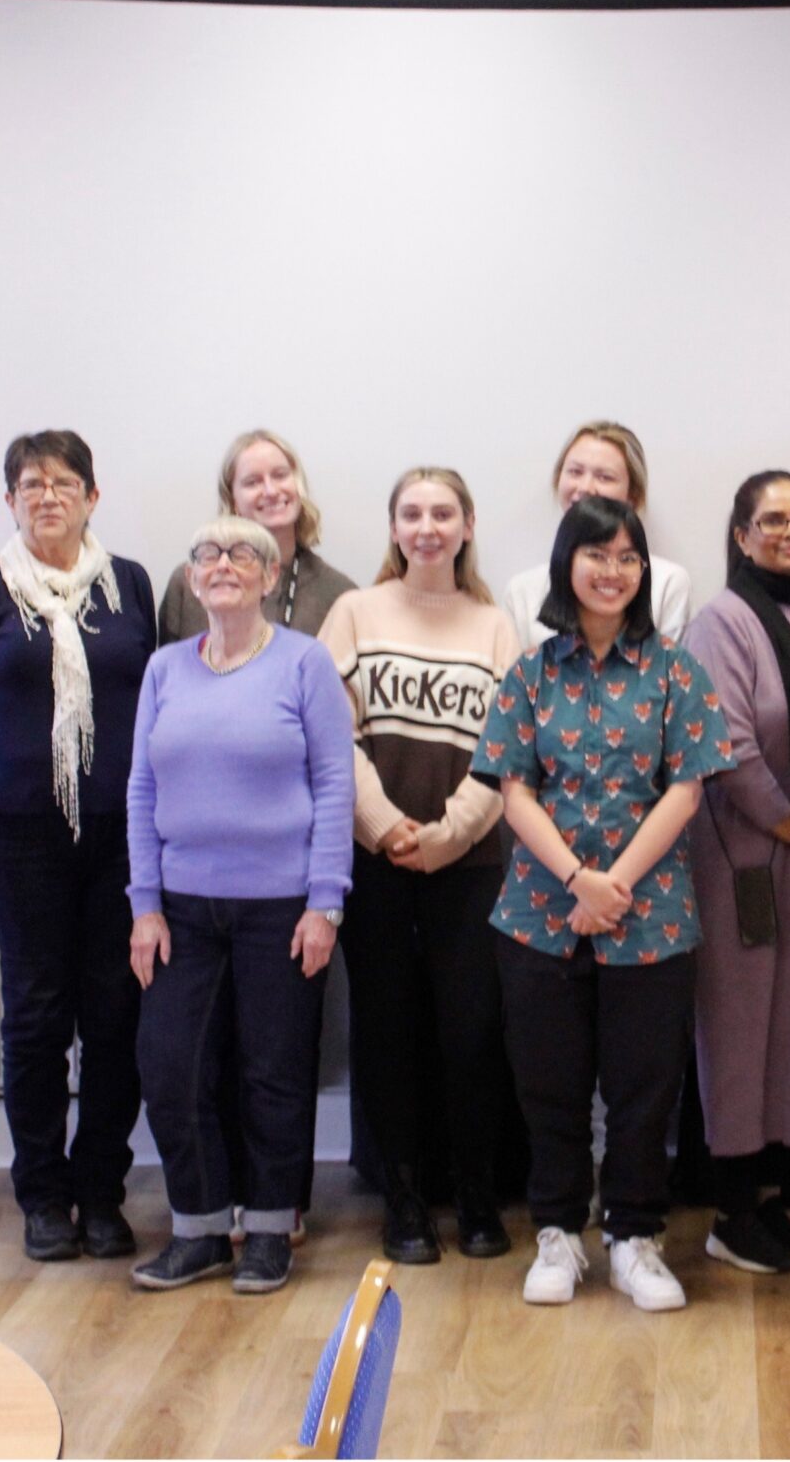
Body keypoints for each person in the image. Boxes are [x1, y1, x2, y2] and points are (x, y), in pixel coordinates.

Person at [471, 497, 735, 1313]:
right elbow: (512, 788)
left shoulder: (675, 670)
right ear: (567, 564)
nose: (612, 570)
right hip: (538, 917)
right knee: (548, 1087)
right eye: (597, 554)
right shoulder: (531, 670)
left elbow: (687, 788)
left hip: (650, 918)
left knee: (642, 1088)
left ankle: (634, 1236)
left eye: (627, 557)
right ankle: (557, 1233)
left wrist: (614, 881)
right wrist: (577, 881)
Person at [125, 515, 354, 1296]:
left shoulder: (305, 662)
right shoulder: (164, 669)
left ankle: (265, 1228)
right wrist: (144, 904)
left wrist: (326, 901)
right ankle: (197, 1229)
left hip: (281, 906)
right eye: (209, 554)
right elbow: (141, 790)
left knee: (273, 1071)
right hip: (181, 908)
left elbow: (334, 784)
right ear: (192, 579)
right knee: (170, 1066)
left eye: (244, 554)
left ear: (268, 574)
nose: (225, 565)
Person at [0, 431, 154, 1263]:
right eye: (30, 484)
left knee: (115, 1012)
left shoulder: (129, 584)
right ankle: (41, 1193)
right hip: (22, 831)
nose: (47, 497)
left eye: (64, 483)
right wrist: (4, 777)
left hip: (121, 833)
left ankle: (101, 1190)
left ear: (92, 496)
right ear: (9, 500)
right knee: (36, 1014)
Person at [318, 467, 522, 1266]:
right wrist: (385, 826)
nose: (428, 526)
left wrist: (451, 832)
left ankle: (475, 1199)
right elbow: (335, 735)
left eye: (443, 512)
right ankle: (403, 1207)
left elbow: (508, 748)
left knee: (472, 1035)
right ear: (394, 527)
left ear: (468, 523)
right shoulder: (355, 613)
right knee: (389, 1034)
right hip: (377, 865)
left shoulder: (495, 624)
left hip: (471, 865)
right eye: (412, 513)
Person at [682, 471, 790, 1276]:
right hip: (744, 854)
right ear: (741, 536)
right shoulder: (723, 623)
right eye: (771, 519)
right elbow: (730, 750)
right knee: (741, 1031)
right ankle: (731, 1210)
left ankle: (774, 1198)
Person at [501, 421, 694, 645]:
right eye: (575, 472)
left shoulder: (668, 583)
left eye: (604, 477)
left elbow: (672, 672)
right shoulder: (521, 591)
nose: (585, 488)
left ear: (633, 495)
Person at [158, 429, 355, 643]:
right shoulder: (192, 584)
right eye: (252, 482)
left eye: (280, 475)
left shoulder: (339, 595)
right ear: (233, 501)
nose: (270, 491)